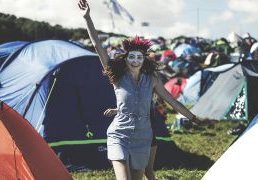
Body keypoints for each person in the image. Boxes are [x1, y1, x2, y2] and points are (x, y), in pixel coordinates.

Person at [78, 1, 196, 179]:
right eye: (131, 57)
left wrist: (192, 118)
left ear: (144, 60)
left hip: (143, 139)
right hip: (120, 135)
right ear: (126, 59)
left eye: (139, 57)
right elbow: (97, 46)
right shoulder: (117, 77)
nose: (135, 60)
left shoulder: (152, 80)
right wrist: (87, 18)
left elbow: (172, 101)